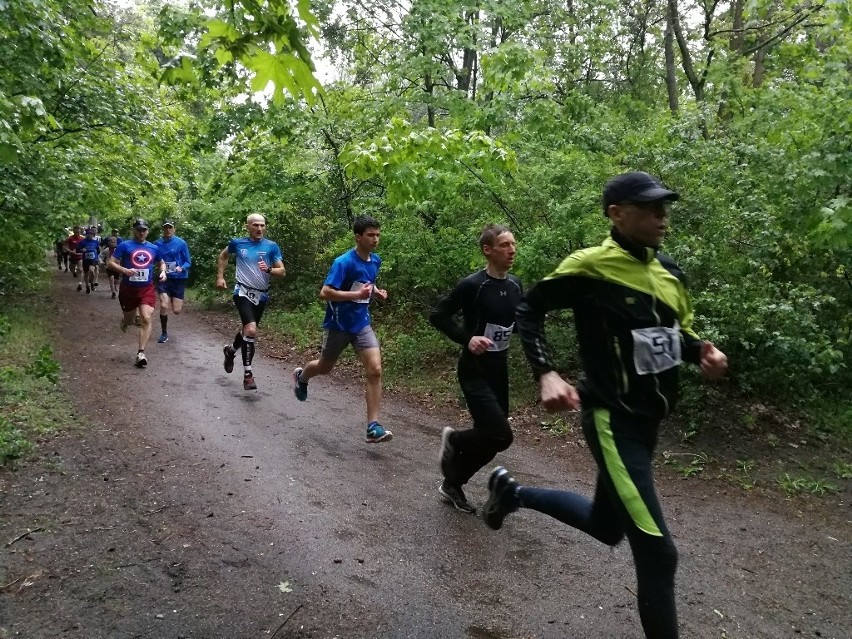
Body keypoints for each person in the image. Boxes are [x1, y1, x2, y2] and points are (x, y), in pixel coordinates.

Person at [482, 172, 728, 639]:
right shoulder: (590, 267)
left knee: (606, 525)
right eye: (650, 207)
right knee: (658, 553)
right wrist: (545, 372)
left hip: (650, 422)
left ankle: (512, 494)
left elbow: (677, 334)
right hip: (613, 421)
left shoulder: (669, 272)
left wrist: (703, 353)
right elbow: (528, 310)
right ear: (617, 214)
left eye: (664, 207)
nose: (662, 215)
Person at [429, 224, 522, 514]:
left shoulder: (515, 285)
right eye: (505, 245)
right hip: (474, 370)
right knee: (501, 435)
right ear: (488, 250)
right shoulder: (472, 285)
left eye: (513, 244)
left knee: (493, 440)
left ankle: (452, 484)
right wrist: (467, 339)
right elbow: (438, 315)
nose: (512, 250)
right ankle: (454, 439)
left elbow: (514, 324)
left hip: (499, 371)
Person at [291, 215, 391, 444]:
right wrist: (356, 295)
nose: (376, 239)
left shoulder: (375, 261)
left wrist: (375, 292)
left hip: (361, 324)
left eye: (378, 234)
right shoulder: (343, 262)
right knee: (325, 367)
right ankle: (302, 377)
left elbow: (366, 282)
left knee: (375, 369)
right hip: (338, 325)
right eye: (370, 235)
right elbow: (325, 292)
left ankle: (372, 427)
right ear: (358, 237)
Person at [216, 213, 285, 391]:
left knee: (247, 331)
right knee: (251, 330)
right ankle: (248, 374)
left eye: (262, 225)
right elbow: (223, 256)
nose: (259, 228)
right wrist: (220, 277)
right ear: (247, 227)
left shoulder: (271, 246)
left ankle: (230, 351)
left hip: (261, 295)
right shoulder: (238, 243)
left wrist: (269, 269)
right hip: (242, 291)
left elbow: (282, 271)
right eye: (255, 225)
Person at [107, 219, 167, 368]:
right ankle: (125, 321)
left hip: (146, 289)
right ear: (134, 230)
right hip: (128, 289)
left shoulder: (154, 248)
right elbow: (110, 262)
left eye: (144, 230)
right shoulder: (124, 245)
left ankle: (141, 353)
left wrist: (163, 271)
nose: (141, 232)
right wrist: (124, 270)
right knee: (130, 320)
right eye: (139, 229)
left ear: (147, 231)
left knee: (146, 318)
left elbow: (161, 262)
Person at [154, 220, 192, 343]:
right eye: (166, 228)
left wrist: (181, 267)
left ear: (174, 229)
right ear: (163, 229)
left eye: (170, 228)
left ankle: (172, 298)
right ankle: (164, 333)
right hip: (164, 278)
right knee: (164, 304)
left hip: (179, 279)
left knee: (176, 310)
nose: (168, 230)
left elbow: (188, 261)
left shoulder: (181, 243)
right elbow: (151, 259)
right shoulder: (157, 244)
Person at [78, 227, 101, 294]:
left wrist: (96, 256)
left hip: (93, 260)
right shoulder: (82, 242)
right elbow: (77, 249)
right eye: (89, 234)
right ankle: (87, 286)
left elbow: (98, 250)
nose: (90, 235)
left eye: (91, 234)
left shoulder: (96, 242)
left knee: (92, 271)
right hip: (85, 260)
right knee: (86, 273)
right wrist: (82, 250)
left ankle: (92, 283)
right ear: (86, 234)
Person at [64, 226, 85, 291]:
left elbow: (86, 246)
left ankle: (80, 284)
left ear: (80, 232)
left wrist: (83, 251)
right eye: (76, 232)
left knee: (80, 269)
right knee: (71, 268)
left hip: (80, 256)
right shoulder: (70, 238)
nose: (77, 233)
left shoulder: (83, 238)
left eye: (78, 232)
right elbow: (64, 247)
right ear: (73, 231)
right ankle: (74, 272)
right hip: (73, 256)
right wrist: (71, 251)